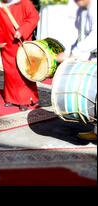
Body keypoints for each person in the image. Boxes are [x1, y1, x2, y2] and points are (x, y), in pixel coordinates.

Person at [56, 0, 97, 141]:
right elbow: (77, 35)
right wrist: (69, 52)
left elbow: (95, 36)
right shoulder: (82, 10)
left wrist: (75, 53)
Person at [0, 0, 40, 111]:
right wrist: (0, 40)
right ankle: (11, 98)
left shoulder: (24, 2)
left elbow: (34, 17)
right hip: (7, 45)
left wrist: (22, 30)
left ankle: (25, 99)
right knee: (9, 71)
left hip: (21, 42)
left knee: (23, 71)